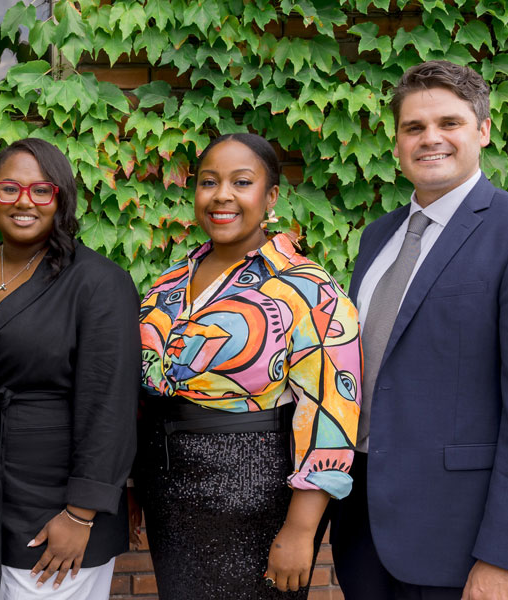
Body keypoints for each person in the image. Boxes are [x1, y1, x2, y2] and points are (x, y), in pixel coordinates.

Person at [328, 60, 508, 600]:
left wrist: (507, 557)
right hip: (363, 532)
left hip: (461, 542)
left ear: (483, 130)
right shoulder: (376, 240)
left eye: (449, 123)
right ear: (398, 142)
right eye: (414, 128)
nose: (431, 139)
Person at [133, 132, 362, 598]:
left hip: (254, 487)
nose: (221, 196)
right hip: (169, 487)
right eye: (208, 182)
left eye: (241, 182)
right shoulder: (170, 279)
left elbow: (331, 408)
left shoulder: (306, 287)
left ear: (271, 195)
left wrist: (301, 529)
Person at [0, 138, 139, 599]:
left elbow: (110, 406)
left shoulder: (97, 281)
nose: (23, 201)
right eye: (10, 188)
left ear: (60, 198)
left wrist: (80, 513)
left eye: (41, 190)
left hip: (55, 516)